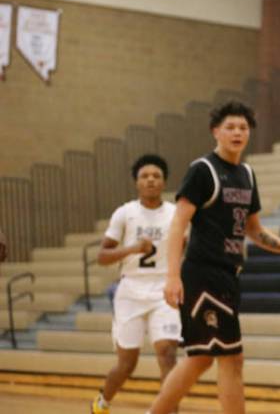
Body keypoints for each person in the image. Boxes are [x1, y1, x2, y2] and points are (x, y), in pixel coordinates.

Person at [145, 101, 280, 414]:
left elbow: (253, 229)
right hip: (202, 275)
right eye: (230, 127)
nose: (237, 133)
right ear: (215, 132)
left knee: (203, 358)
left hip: (228, 277)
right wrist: (172, 276)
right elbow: (178, 224)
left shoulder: (246, 174)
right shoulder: (203, 171)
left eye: (243, 128)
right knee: (229, 358)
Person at [91, 155, 180, 414]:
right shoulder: (125, 213)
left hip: (164, 290)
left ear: (164, 182)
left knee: (167, 354)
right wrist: (132, 248)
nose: (151, 179)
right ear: (136, 183)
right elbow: (102, 257)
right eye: (145, 176)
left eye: (156, 176)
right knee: (127, 364)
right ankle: (102, 401)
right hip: (130, 291)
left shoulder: (176, 214)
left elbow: (187, 247)